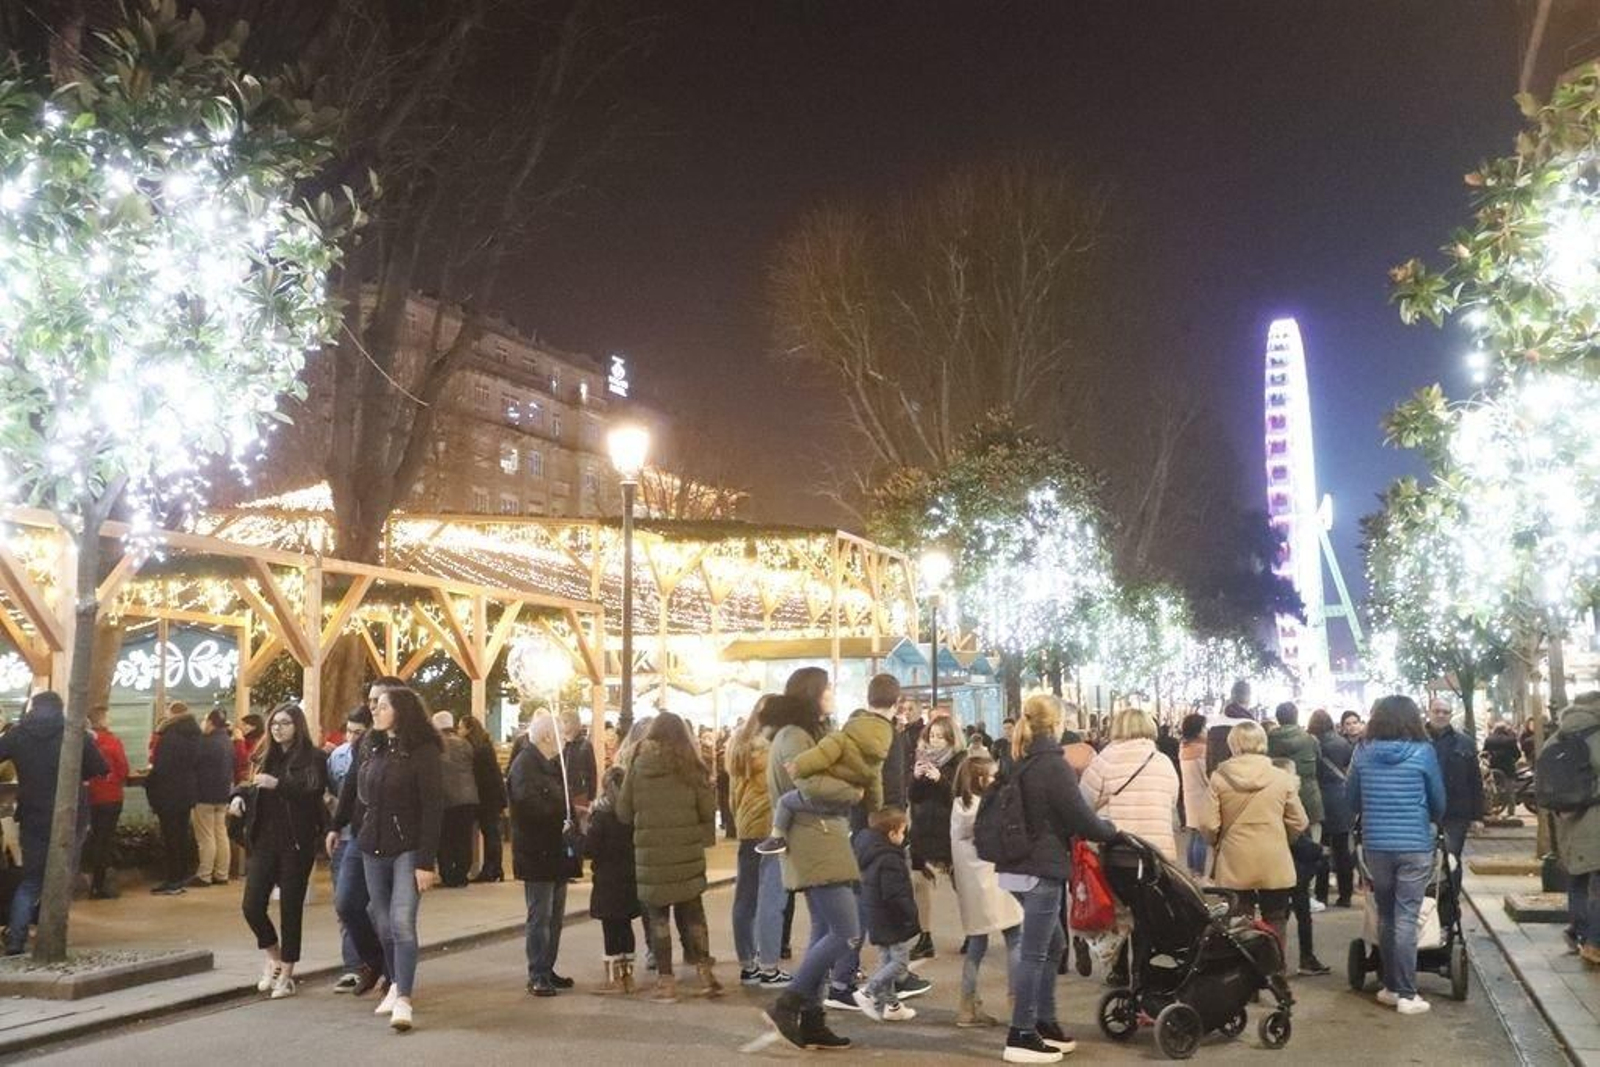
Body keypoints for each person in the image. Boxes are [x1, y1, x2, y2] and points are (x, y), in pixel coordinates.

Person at [995, 693, 1117, 1064]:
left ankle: (1045, 1022)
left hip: (1013, 866)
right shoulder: (1053, 765)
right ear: (1058, 723)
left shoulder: (1017, 759)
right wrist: (1108, 830)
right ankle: (1022, 1032)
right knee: (1035, 951)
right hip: (1041, 867)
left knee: (1053, 946)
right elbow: (1080, 816)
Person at [761, 668, 863, 1052]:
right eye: (827, 688)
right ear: (813, 693)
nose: (833, 694)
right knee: (847, 931)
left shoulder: (803, 734)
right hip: (812, 841)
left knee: (824, 932)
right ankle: (788, 1002)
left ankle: (814, 1017)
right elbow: (810, 784)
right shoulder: (793, 737)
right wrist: (854, 792)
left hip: (820, 838)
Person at [349, 685, 443, 1032]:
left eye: (383, 706)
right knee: (383, 921)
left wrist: (425, 862)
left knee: (402, 921)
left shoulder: (423, 751)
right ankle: (392, 982)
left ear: (401, 711)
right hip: (372, 845)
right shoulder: (372, 747)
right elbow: (361, 796)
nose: (375, 710)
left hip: (408, 847)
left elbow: (434, 807)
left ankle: (404, 997)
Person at [1347, 695, 1445, 1016]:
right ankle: (1407, 992)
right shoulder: (1423, 752)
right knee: (1406, 916)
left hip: (1377, 844)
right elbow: (1438, 799)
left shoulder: (1362, 752)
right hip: (1414, 843)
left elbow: (1351, 798)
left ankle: (1390, 986)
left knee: (1387, 914)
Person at [618, 711, 720, 1002]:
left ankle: (666, 982)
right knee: (693, 915)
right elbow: (706, 810)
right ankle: (705, 973)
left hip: (651, 856)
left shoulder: (638, 765)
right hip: (686, 853)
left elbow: (624, 811)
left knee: (658, 918)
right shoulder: (693, 767)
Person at [0, 692, 107, 954]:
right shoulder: (75, 733)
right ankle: (52, 933)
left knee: (32, 880)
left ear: (33, 708)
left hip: (32, 814)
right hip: (70, 816)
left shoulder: (18, 734)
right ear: (60, 708)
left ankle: (16, 938)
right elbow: (100, 768)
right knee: (62, 877)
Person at [234, 702, 328, 1000]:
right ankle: (273, 956)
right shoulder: (265, 756)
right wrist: (238, 796)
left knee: (290, 908)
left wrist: (280, 784)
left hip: (296, 843)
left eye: (285, 723)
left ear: (297, 726)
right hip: (264, 841)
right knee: (252, 905)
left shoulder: (313, 757)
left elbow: (312, 789)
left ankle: (287, 973)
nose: (277, 728)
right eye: (274, 723)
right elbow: (250, 785)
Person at [1200, 722, 1307, 977]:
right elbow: (1299, 821)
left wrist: (1216, 841)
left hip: (1235, 857)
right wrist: (1283, 839)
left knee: (1240, 916)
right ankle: (1274, 971)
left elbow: (1208, 823)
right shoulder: (1281, 777)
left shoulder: (1220, 777)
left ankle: (1244, 973)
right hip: (1274, 857)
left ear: (1233, 744)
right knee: (1276, 916)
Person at [754, 697, 892, 857]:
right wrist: (875, 810)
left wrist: (798, 766)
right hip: (843, 802)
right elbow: (875, 785)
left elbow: (820, 756)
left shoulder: (840, 739)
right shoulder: (876, 759)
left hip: (827, 791)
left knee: (785, 802)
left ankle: (777, 838)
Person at [949, 754, 1022, 1029]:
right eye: (992, 776)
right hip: (997, 880)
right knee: (1015, 937)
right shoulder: (986, 808)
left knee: (976, 945)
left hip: (972, 887)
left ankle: (967, 1006)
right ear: (981, 779)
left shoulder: (960, 806)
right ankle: (1017, 1003)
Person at [727, 694, 790, 987]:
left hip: (746, 826)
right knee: (771, 899)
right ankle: (769, 966)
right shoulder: (774, 749)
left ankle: (747, 964)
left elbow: (732, 795)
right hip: (769, 828)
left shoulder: (738, 745)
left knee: (745, 897)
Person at [511, 711, 575, 996]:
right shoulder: (525, 765)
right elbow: (527, 807)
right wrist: (558, 814)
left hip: (554, 850)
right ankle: (537, 971)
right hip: (537, 851)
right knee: (541, 915)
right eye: (560, 734)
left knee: (554, 916)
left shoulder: (548, 764)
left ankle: (547, 967)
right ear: (548, 736)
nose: (565, 740)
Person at [327, 704, 378, 994]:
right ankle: (360, 963)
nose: (352, 737)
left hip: (380, 839)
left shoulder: (392, 748)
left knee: (378, 909)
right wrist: (335, 824)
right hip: (352, 836)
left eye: (359, 732)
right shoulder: (343, 754)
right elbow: (343, 791)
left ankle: (384, 970)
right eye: (349, 731)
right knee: (346, 903)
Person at [852, 806, 920, 1022]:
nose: (904, 836)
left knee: (885, 959)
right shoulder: (891, 859)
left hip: (875, 915)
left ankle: (892, 1005)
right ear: (892, 834)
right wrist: (910, 916)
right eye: (902, 832)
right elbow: (896, 894)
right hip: (892, 918)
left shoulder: (869, 853)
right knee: (899, 963)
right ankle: (868, 992)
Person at [908, 715, 964, 961]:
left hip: (949, 832)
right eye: (932, 736)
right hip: (922, 830)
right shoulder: (921, 759)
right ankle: (925, 936)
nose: (935, 741)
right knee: (919, 883)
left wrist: (941, 780)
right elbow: (914, 797)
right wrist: (916, 778)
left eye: (941, 736)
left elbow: (962, 796)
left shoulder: (960, 761)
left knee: (961, 886)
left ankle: (974, 932)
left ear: (951, 738)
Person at [1550, 692, 1600, 966]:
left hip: (1567, 819)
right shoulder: (1596, 736)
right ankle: (1593, 943)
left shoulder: (1558, 736)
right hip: (1595, 817)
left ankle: (1578, 933)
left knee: (1577, 880)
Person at [585, 764, 642, 993]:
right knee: (626, 927)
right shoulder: (633, 814)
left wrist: (576, 836)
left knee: (611, 929)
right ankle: (629, 976)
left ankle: (614, 979)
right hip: (630, 879)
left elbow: (590, 849)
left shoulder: (602, 815)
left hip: (608, 881)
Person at [1426, 697, 1484, 893]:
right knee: (1425, 861)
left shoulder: (1464, 742)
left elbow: (1475, 780)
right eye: (1437, 711)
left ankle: (1450, 911)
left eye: (1445, 712)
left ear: (1451, 715)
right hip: (1423, 812)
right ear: (1429, 712)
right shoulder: (1417, 741)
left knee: (1451, 860)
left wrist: (1478, 816)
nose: (1441, 715)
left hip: (1455, 813)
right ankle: (1429, 908)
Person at [145, 701, 202, 895]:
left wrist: (150, 782)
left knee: (171, 837)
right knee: (181, 835)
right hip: (186, 792)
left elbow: (161, 765)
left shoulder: (170, 735)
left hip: (168, 792)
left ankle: (172, 880)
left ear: (172, 715)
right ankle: (179, 878)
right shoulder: (195, 733)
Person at [1308, 709, 1355, 907]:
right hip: (1341, 799)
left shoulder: (1310, 744)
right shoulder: (1343, 743)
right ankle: (1345, 895)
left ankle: (1321, 894)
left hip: (1319, 798)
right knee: (1343, 849)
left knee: (1322, 849)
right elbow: (1349, 768)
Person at [457, 715, 507, 883]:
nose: (459, 731)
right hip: (492, 797)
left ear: (469, 729)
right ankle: (495, 868)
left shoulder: (477, 749)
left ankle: (491, 869)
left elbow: (481, 776)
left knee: (490, 834)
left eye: (461, 727)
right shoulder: (485, 746)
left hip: (486, 798)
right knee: (492, 834)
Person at [432, 711, 479, 888]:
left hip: (446, 799)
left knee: (445, 839)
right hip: (468, 798)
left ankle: (448, 874)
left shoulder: (436, 744)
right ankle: (461, 874)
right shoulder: (465, 743)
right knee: (463, 838)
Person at [85, 719, 129, 900]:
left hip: (90, 797)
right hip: (111, 797)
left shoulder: (85, 743)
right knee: (106, 839)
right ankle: (100, 884)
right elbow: (123, 769)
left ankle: (93, 882)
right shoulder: (113, 741)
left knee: (95, 838)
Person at [1267, 702, 1325, 840]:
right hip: (1309, 792)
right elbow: (1319, 762)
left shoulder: (1268, 740)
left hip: (1278, 793)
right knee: (1313, 828)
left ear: (1278, 718)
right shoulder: (1310, 739)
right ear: (1296, 716)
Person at [191, 709, 236, 888]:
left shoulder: (205, 742)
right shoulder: (227, 741)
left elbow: (194, 764)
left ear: (210, 723)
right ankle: (222, 873)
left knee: (206, 836)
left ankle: (204, 875)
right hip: (223, 793)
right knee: (220, 833)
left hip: (204, 794)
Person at [1176, 712, 1211, 877]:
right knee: (1201, 837)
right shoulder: (1202, 750)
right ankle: (1199, 873)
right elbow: (1207, 776)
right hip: (1202, 796)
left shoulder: (1184, 747)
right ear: (1198, 729)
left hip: (1189, 795)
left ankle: (1191, 871)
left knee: (1193, 834)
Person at [1205, 680, 1257, 774]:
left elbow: (1209, 760)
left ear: (1232, 696)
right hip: (1242, 782)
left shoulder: (1214, 723)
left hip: (1217, 780)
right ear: (1249, 698)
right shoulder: (1251, 726)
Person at [559, 708, 598, 824]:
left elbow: (592, 771)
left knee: (579, 823)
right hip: (561, 792)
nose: (563, 725)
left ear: (574, 723)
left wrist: (591, 795)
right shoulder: (560, 744)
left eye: (566, 722)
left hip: (579, 792)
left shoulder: (585, 745)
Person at [234, 713, 264, 784]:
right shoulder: (246, 739)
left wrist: (240, 740)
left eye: (244, 724)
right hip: (239, 778)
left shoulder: (259, 742)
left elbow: (244, 759)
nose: (241, 727)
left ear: (254, 727)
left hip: (248, 780)